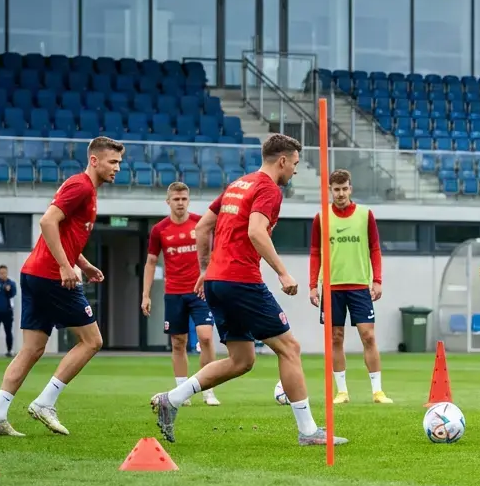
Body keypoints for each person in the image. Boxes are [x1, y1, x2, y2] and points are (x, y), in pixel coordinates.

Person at [150, 134, 346, 447]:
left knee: (242, 360)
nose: (295, 171)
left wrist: (205, 270)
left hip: (217, 281)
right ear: (282, 160)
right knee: (290, 348)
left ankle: (171, 399)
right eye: (294, 164)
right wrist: (283, 272)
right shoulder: (269, 188)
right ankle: (309, 432)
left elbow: (202, 228)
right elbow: (256, 231)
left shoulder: (238, 184)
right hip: (241, 280)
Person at [0, 136, 122, 437]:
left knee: (32, 350)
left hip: (35, 274)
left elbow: (63, 231)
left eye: (120, 163)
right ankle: (45, 402)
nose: (118, 168)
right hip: (50, 276)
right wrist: (64, 265)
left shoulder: (87, 190)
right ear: (94, 160)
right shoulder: (81, 186)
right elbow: (47, 222)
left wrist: (81, 263)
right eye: (113, 162)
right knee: (92, 341)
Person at [307, 169, 390, 405]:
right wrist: (313, 286)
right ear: (330, 190)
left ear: (350, 189)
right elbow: (315, 253)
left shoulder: (365, 215)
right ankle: (342, 391)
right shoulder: (321, 217)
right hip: (331, 288)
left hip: (359, 286)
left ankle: (377, 391)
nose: (341, 193)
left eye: (344, 189)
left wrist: (378, 280)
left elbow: (375, 248)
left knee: (368, 336)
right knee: (336, 337)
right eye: (336, 189)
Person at [142, 182, 220, 407]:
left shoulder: (200, 223)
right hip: (174, 293)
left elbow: (215, 253)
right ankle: (182, 391)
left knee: (205, 337)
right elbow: (151, 262)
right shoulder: (159, 230)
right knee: (178, 342)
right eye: (176, 199)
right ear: (168, 201)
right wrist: (146, 295)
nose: (180, 203)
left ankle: (208, 390)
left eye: (184, 199)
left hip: (200, 291)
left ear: (189, 200)